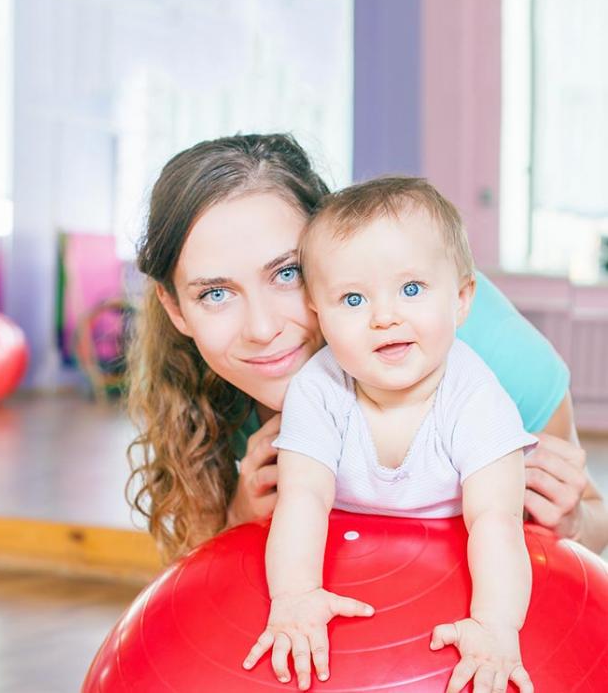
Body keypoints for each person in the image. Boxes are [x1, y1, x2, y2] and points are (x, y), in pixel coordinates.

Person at [126, 132, 608, 566]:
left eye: (288, 273)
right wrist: (241, 514)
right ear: (175, 309)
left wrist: (571, 523)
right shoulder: (207, 379)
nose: (262, 328)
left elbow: (593, 520)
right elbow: (197, 578)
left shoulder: (492, 354)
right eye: (215, 294)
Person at [241, 177, 535, 692]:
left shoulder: (477, 399)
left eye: (412, 289)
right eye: (353, 299)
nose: (385, 316)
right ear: (318, 313)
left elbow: (496, 519)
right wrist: (294, 597)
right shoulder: (318, 388)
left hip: (450, 561)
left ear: (462, 299)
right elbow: (303, 496)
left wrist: (495, 624)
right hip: (350, 556)